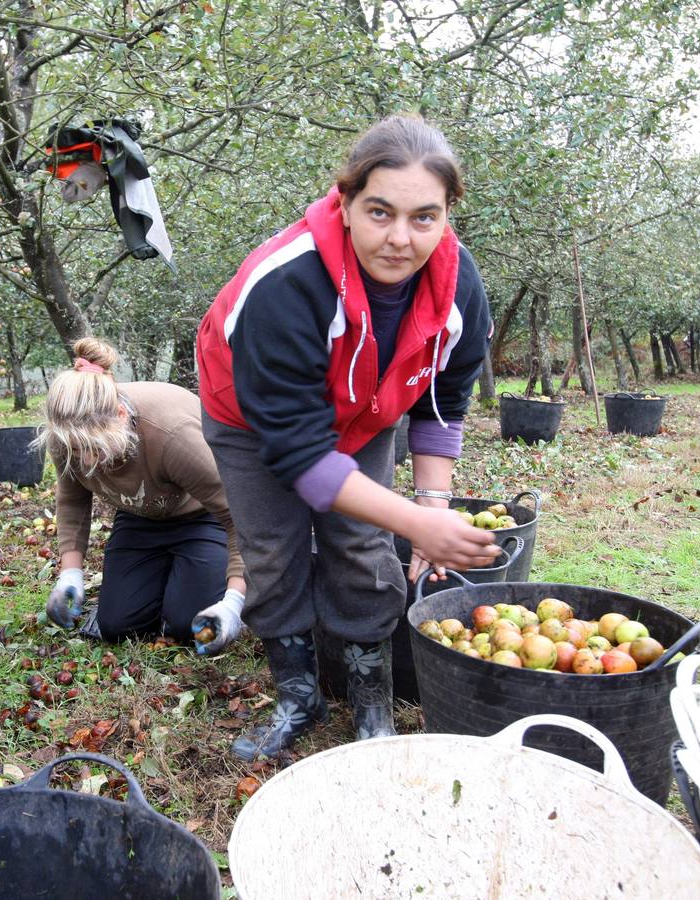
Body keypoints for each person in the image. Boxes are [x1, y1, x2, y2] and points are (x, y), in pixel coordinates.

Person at [195, 114, 500, 760]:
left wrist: (433, 506)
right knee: (272, 549)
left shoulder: (458, 287)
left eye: (424, 217)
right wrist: (416, 523)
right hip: (253, 419)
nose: (400, 238)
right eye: (380, 212)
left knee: (362, 546)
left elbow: (443, 402)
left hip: (363, 408)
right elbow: (302, 458)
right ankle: (298, 698)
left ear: (448, 215)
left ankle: (371, 707)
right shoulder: (287, 282)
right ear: (345, 202)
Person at [39, 338, 247, 652]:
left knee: (187, 626)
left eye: (95, 448)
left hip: (202, 517)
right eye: (76, 450)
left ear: (121, 416)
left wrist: (233, 602)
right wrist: (70, 572)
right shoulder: (68, 436)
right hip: (140, 516)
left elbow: (240, 518)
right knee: (116, 626)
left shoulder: (173, 437)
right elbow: (72, 501)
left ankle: (208, 584)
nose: (86, 462)